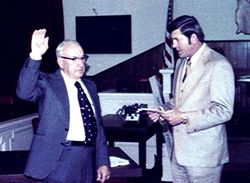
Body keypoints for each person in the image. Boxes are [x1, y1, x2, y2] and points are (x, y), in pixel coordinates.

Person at [16, 29, 110, 183]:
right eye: (74, 59)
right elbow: (24, 92)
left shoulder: (90, 86)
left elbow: (98, 127)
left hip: (88, 159)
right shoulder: (48, 83)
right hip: (59, 160)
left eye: (82, 58)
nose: (81, 63)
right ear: (60, 61)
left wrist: (103, 161)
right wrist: (35, 56)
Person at [148, 15, 235, 183]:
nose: (173, 45)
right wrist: (164, 109)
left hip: (204, 157)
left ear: (193, 38)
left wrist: (183, 117)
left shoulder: (218, 64)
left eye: (176, 40)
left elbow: (224, 111)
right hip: (179, 154)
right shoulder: (182, 62)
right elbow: (179, 100)